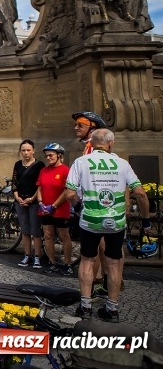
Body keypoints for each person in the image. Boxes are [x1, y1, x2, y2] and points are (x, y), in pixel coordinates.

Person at [63, 129, 151, 322]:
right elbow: (141, 194)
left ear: (92, 144)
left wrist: (79, 207)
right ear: (111, 143)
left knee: (87, 259)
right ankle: (112, 309)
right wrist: (146, 219)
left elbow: (69, 194)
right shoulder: (122, 163)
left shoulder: (81, 162)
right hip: (116, 222)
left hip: (90, 220)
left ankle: (85, 307)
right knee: (112, 263)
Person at [72, 111, 111, 295]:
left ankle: (94, 286)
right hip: (93, 202)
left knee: (94, 248)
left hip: (92, 203)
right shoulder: (87, 147)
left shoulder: (92, 149)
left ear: (92, 128)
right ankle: (107, 280)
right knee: (102, 245)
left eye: (81, 125)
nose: (76, 128)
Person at [35, 143, 72, 275]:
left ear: (59, 155)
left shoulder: (66, 171)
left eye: (51, 155)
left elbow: (66, 191)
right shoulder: (44, 171)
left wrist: (54, 206)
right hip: (44, 208)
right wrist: (40, 202)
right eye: (46, 156)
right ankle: (52, 262)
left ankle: (68, 264)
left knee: (64, 236)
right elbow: (39, 188)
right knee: (48, 235)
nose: (48, 158)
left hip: (60, 209)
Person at [12, 140, 45, 268]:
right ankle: (27, 255)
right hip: (20, 201)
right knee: (25, 230)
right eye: (23, 150)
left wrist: (32, 198)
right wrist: (17, 197)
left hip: (34, 201)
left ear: (33, 150)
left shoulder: (39, 165)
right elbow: (14, 182)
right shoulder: (17, 164)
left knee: (35, 230)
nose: (26, 153)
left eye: (28, 150)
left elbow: (40, 184)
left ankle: (37, 256)